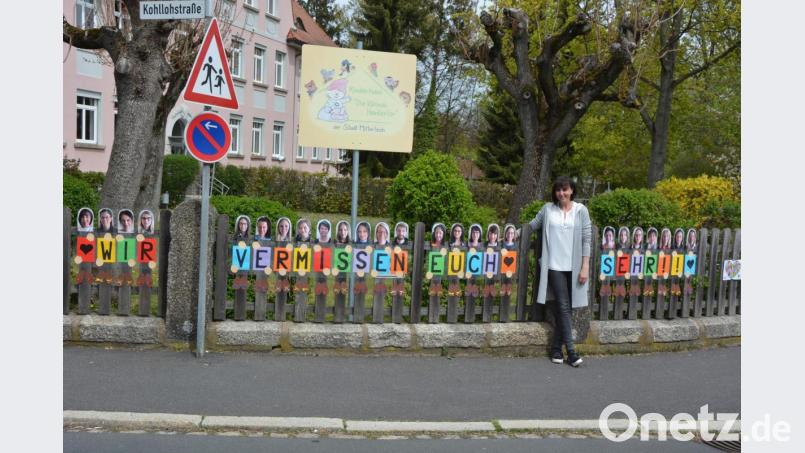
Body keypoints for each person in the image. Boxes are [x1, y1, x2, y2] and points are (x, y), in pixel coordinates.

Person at [524, 176, 591, 368]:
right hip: (554, 266)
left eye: (565, 189)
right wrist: (513, 234)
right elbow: (532, 225)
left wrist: (585, 266)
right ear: (554, 192)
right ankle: (571, 352)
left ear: (572, 191)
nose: (561, 193)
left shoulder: (581, 211)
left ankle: (555, 348)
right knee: (563, 306)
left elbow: (587, 239)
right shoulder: (548, 209)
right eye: (558, 190)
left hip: (575, 266)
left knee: (567, 309)